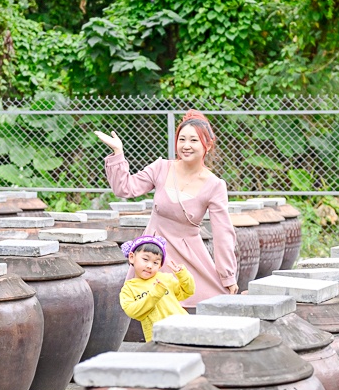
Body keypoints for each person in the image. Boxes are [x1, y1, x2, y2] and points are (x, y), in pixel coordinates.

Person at [95, 109, 238, 307]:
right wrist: (118, 153)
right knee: (150, 309)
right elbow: (125, 188)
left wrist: (227, 275)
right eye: (182, 139)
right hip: (155, 255)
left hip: (189, 258)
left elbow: (223, 234)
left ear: (208, 145)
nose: (186, 146)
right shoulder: (161, 168)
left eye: (194, 140)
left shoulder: (214, 185)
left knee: (198, 308)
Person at [119, 235, 195, 342]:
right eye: (145, 259)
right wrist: (155, 294)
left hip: (184, 327)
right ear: (132, 257)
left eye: (155, 262)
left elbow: (188, 291)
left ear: (160, 265)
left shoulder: (165, 278)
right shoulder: (129, 288)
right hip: (159, 336)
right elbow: (132, 311)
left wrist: (182, 275)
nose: (150, 265)